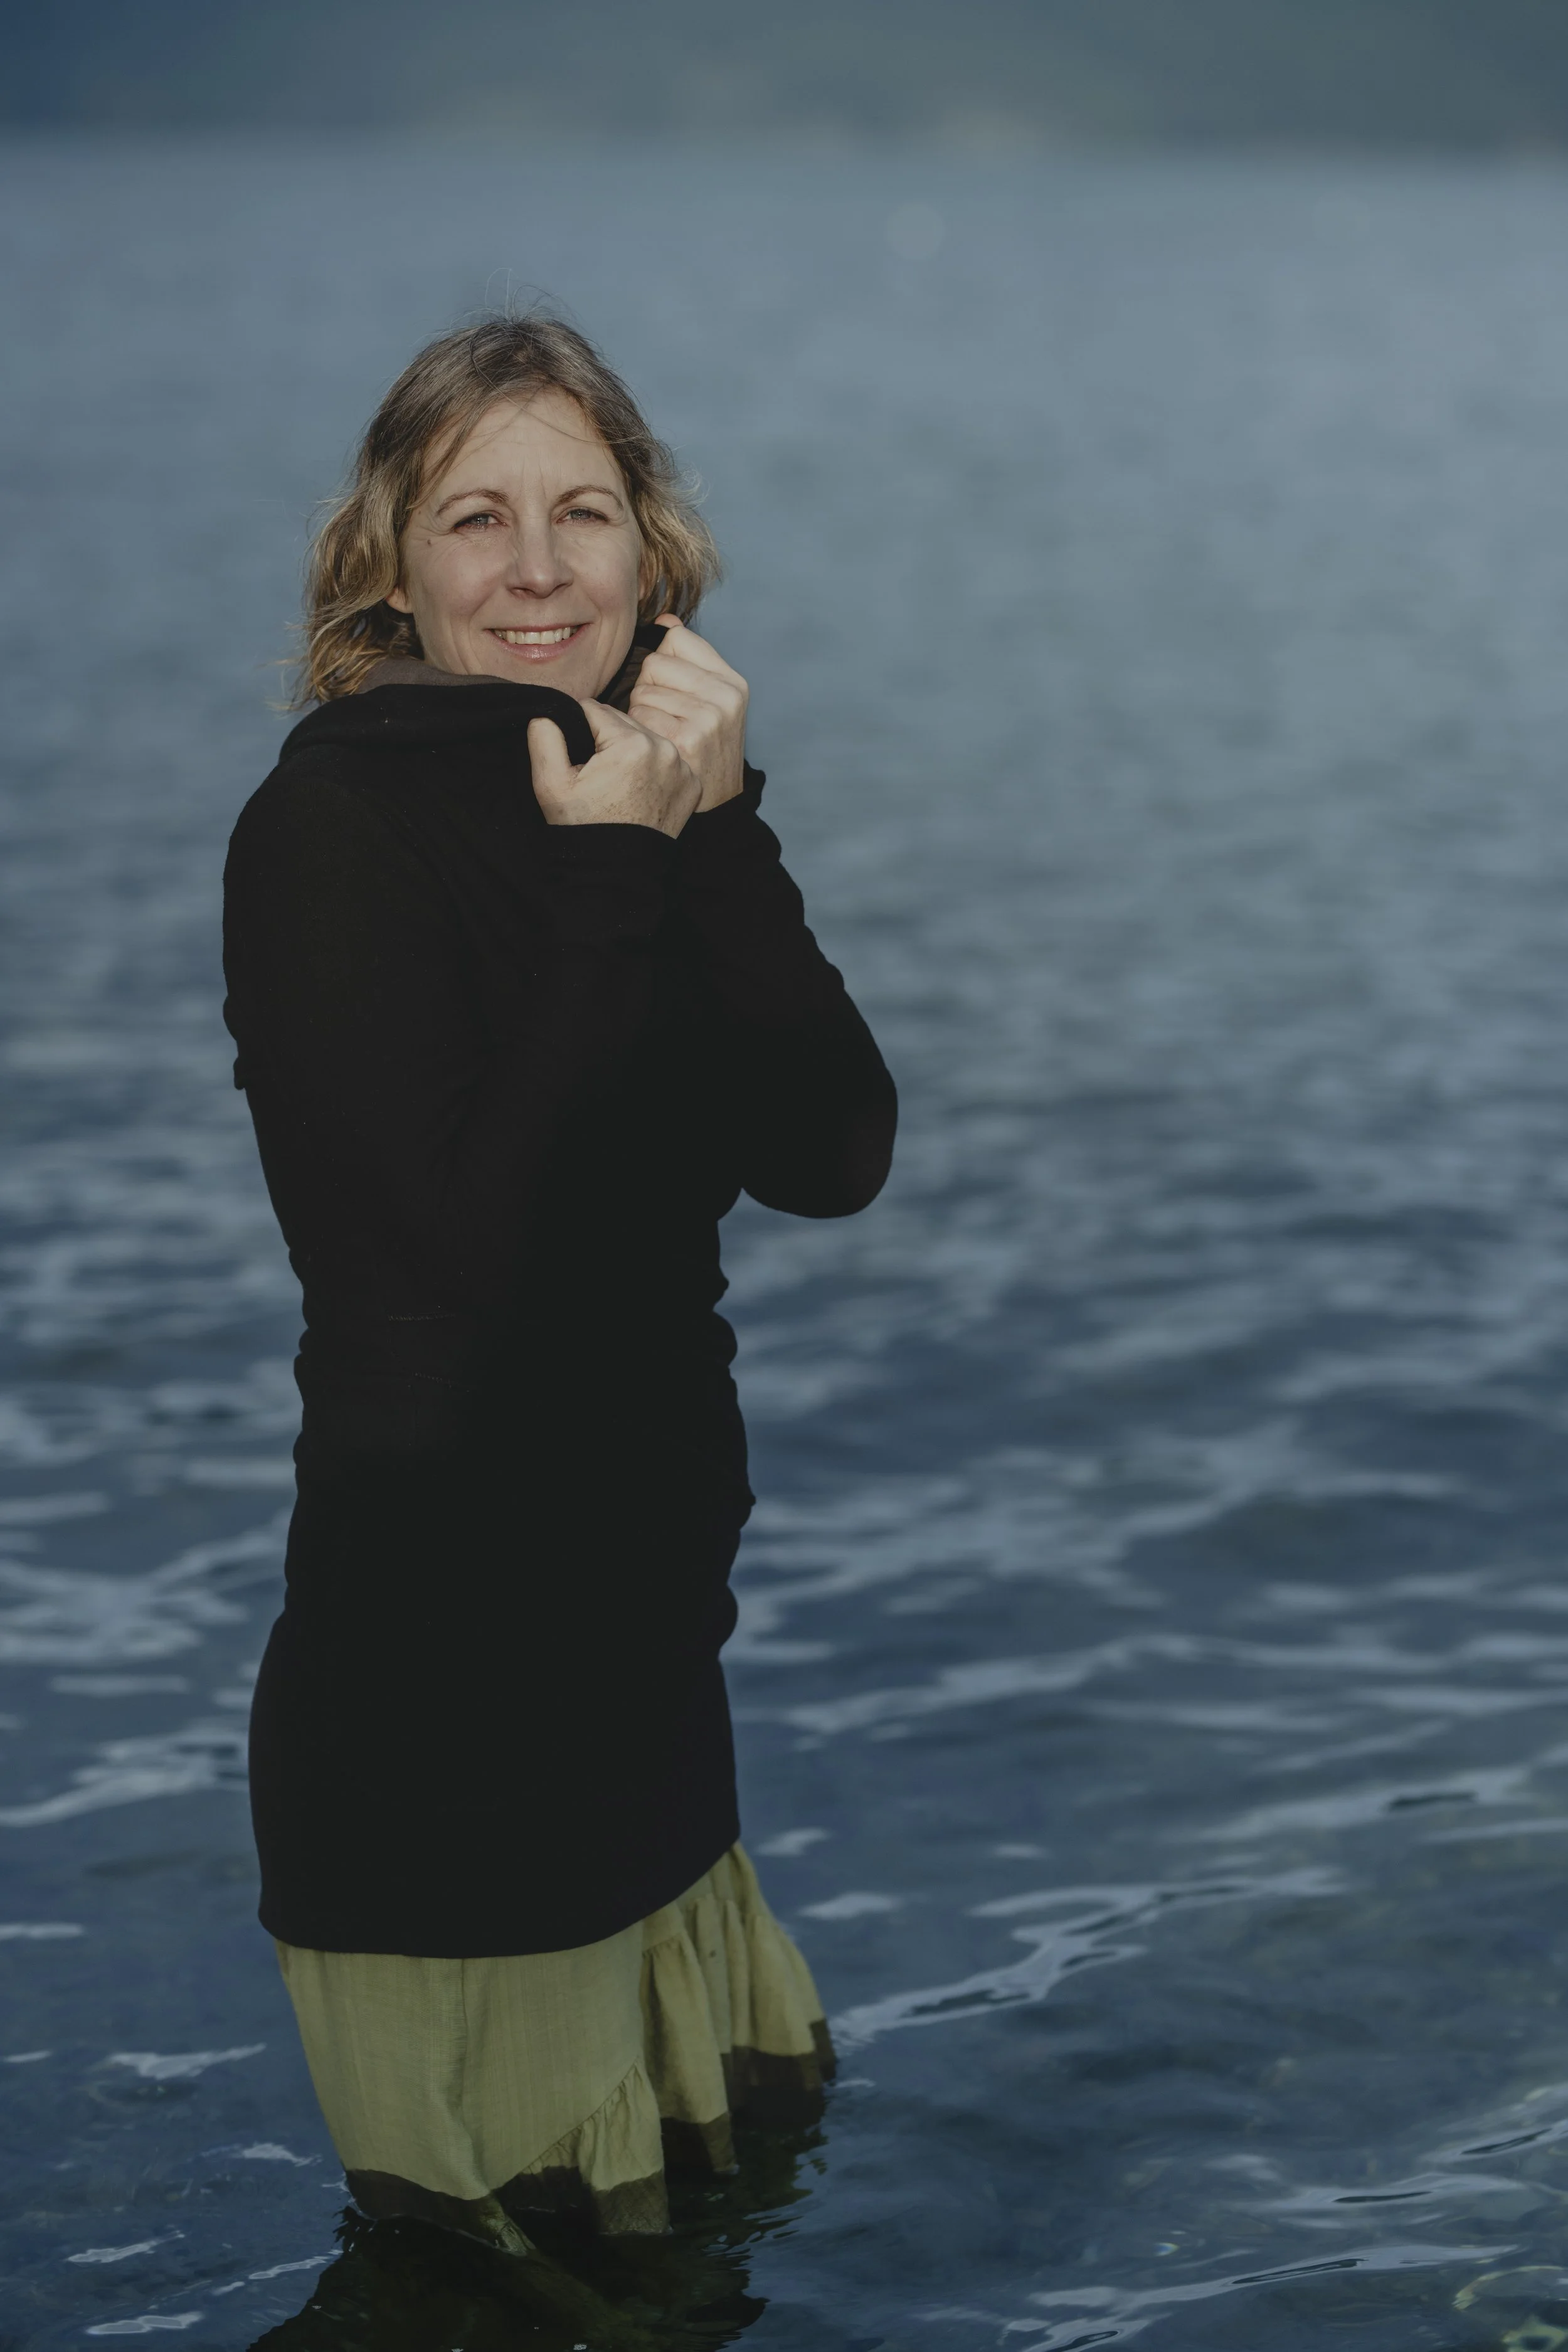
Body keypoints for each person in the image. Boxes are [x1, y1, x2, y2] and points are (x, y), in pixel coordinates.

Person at [221, 314, 897, 2254]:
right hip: (447, 1729)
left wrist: (725, 826)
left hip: (649, 1692)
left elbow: (832, 1157)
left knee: (719, 2232)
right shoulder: (330, 830)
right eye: (477, 517)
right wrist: (614, 883)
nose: (536, 568)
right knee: (516, 2298)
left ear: (650, 557)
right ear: (390, 566)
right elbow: (461, 1274)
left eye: (582, 512)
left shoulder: (647, 800)